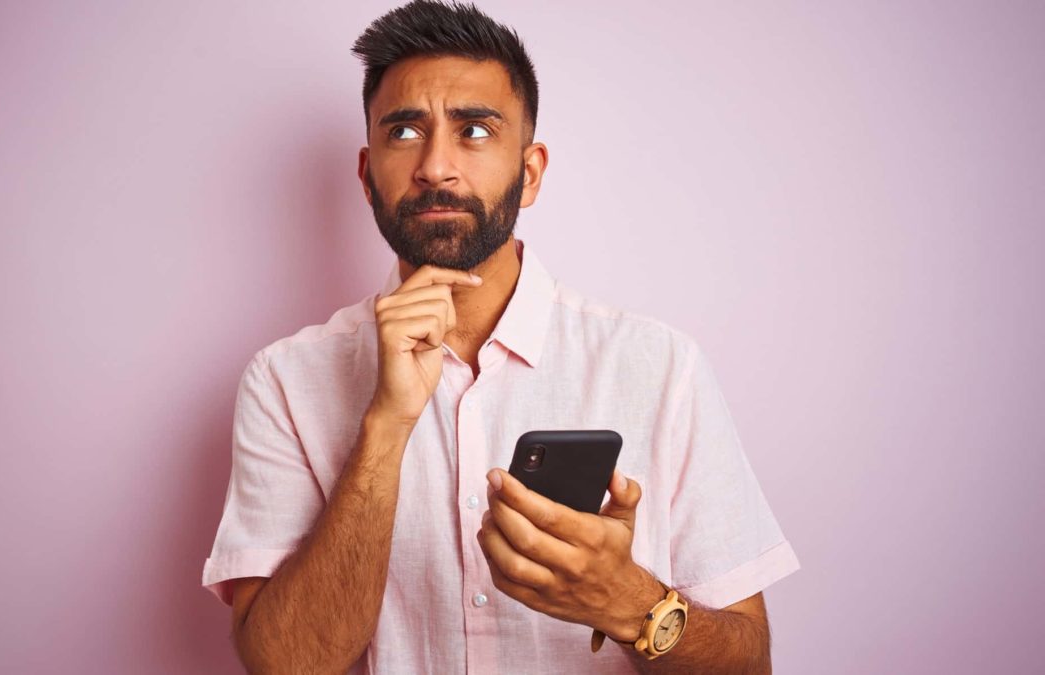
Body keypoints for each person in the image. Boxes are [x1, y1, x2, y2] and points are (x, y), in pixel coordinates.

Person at [201, 1, 800, 672]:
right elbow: (287, 666)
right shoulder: (285, 380)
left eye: (475, 130)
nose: (435, 167)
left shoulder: (660, 368)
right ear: (368, 176)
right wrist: (386, 423)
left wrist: (630, 602)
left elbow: (750, 663)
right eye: (404, 131)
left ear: (532, 172)